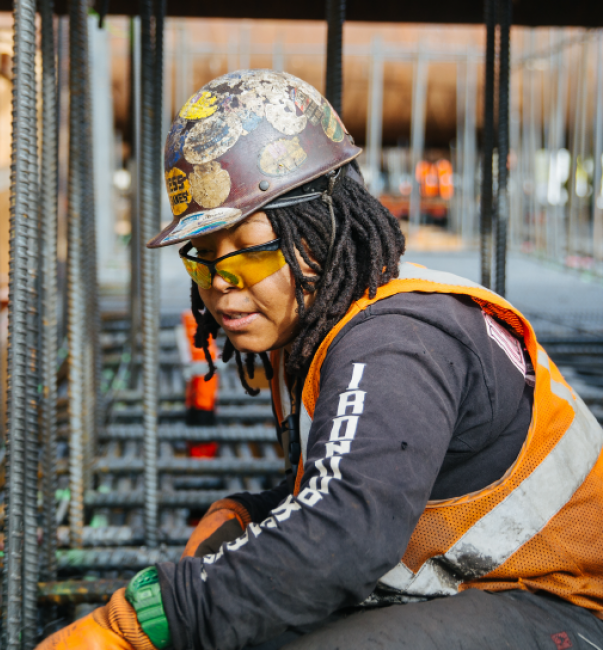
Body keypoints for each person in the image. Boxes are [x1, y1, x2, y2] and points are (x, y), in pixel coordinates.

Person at [36, 70, 603, 650]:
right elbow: (371, 476)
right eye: (202, 257)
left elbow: (346, 532)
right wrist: (255, 512)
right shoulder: (321, 326)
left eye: (249, 248)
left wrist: (147, 618)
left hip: (566, 605)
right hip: (481, 588)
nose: (222, 284)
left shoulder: (395, 344)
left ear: (320, 224)